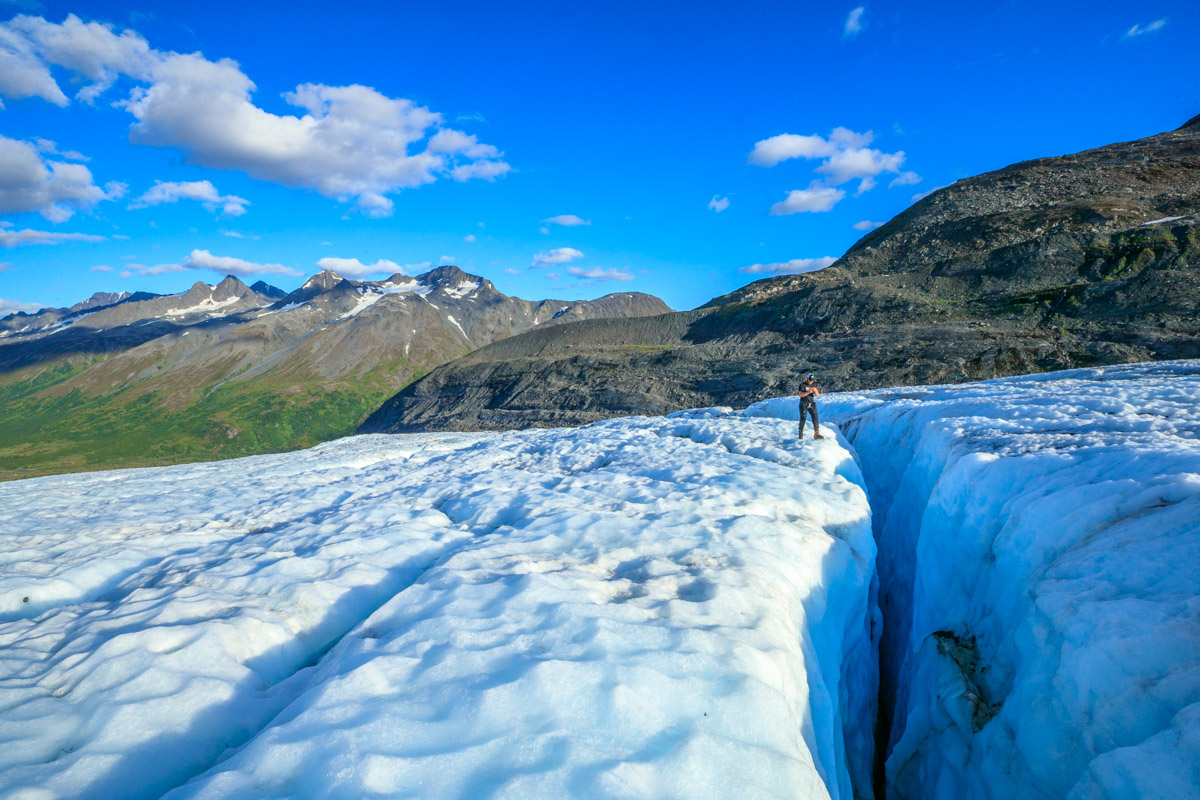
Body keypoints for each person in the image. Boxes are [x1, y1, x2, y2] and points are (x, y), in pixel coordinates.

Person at [798, 373, 825, 440]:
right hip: (803, 403)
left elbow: (817, 394)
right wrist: (808, 392)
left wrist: (815, 391)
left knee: (815, 417)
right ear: (807, 378)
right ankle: (800, 433)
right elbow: (800, 394)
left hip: (811, 403)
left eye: (812, 380)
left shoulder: (813, 385)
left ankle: (816, 433)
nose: (811, 381)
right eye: (810, 380)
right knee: (803, 418)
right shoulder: (802, 385)